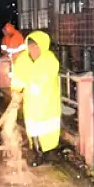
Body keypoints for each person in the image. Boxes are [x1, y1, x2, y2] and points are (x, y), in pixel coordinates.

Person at [9, 30, 61, 167]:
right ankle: (37, 152)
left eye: (36, 46)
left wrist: (32, 88)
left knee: (49, 130)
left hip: (47, 102)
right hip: (31, 104)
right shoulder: (22, 60)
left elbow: (45, 78)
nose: (33, 50)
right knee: (33, 128)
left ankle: (49, 152)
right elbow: (18, 78)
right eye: (31, 46)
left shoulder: (49, 59)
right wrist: (15, 90)